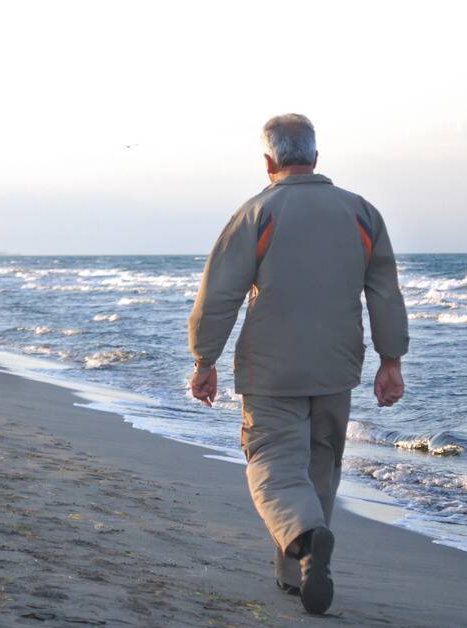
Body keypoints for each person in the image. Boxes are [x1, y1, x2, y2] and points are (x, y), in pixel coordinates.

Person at [186, 114, 409, 615]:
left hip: (271, 368)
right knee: (320, 465)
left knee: (272, 462)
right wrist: (390, 360)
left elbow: (219, 294)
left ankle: (307, 542)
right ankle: (296, 574)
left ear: (268, 161)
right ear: (315, 156)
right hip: (337, 366)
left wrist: (205, 360)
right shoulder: (362, 214)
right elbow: (385, 293)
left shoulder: (257, 212)